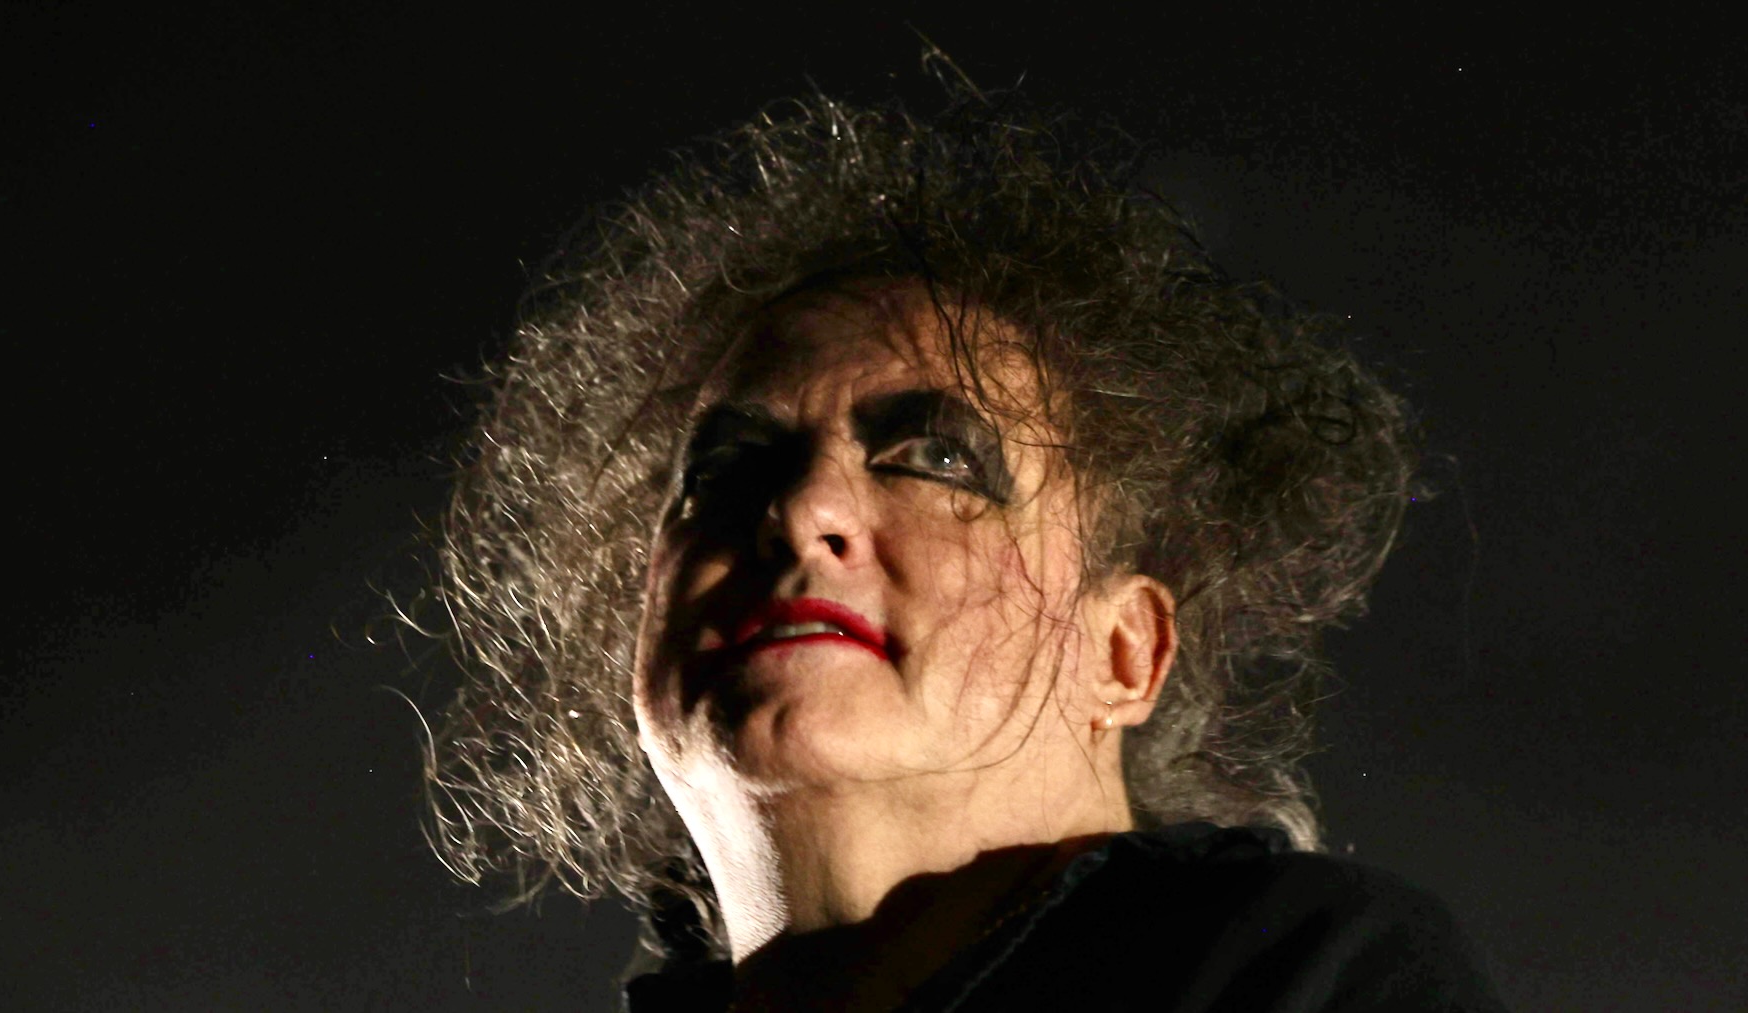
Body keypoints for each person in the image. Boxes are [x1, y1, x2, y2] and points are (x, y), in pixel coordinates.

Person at [421, 69, 1509, 1011]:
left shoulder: (1309, 974)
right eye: (724, 471)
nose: (799, 510)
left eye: (936, 459)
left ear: (1126, 649)